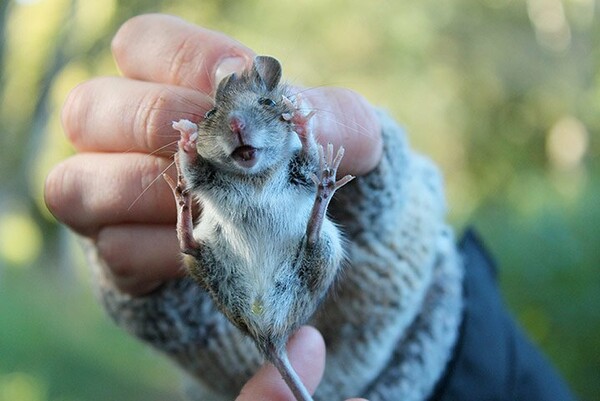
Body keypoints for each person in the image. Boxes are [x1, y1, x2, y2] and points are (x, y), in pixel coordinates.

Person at [45, 14, 576, 401]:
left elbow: (298, 169)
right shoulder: (210, 160)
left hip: (298, 290)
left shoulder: (293, 143)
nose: (238, 123)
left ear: (282, 113)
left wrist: (412, 311)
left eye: (261, 110)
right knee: (205, 243)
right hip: (255, 292)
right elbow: (206, 178)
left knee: (324, 237)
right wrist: (187, 163)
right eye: (221, 116)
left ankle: (308, 229)